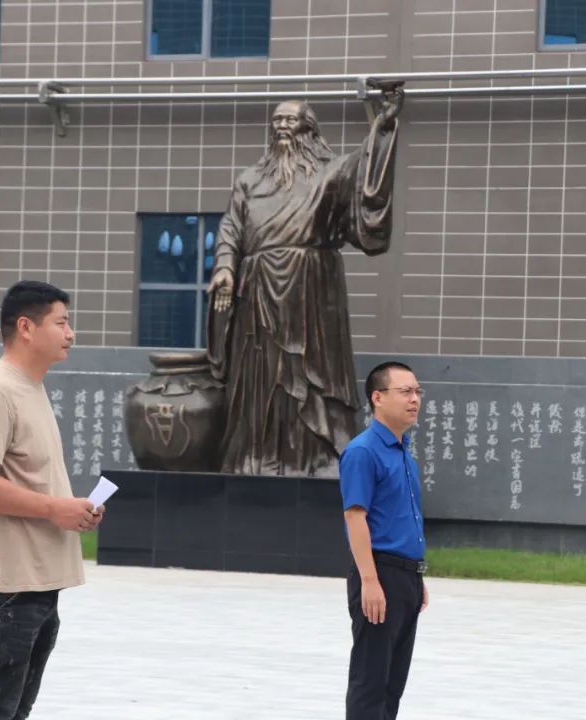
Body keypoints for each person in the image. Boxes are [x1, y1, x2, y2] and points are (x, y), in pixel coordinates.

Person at [206, 88, 404, 477]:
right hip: (258, 291)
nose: (282, 127)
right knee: (261, 377)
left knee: (312, 374)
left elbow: (367, 176)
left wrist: (384, 125)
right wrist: (226, 267)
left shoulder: (332, 171)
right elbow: (231, 227)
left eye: (290, 120)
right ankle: (255, 459)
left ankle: (318, 458)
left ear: (308, 128)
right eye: (277, 121)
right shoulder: (249, 179)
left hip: (311, 289)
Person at [0, 280, 104, 720]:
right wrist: (55, 509)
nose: (70, 333)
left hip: (37, 582)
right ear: (26, 327)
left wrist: (74, 509)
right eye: (61, 323)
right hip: (9, 586)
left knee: (14, 712)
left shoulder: (30, 388)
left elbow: (29, 480)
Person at [339, 361, 428, 720]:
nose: (415, 399)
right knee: (371, 680)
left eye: (417, 391)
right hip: (380, 575)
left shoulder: (404, 454)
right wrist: (370, 581)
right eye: (405, 391)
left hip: (406, 577)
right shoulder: (363, 451)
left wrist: (416, 576)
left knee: (393, 684)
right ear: (377, 398)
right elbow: (354, 516)